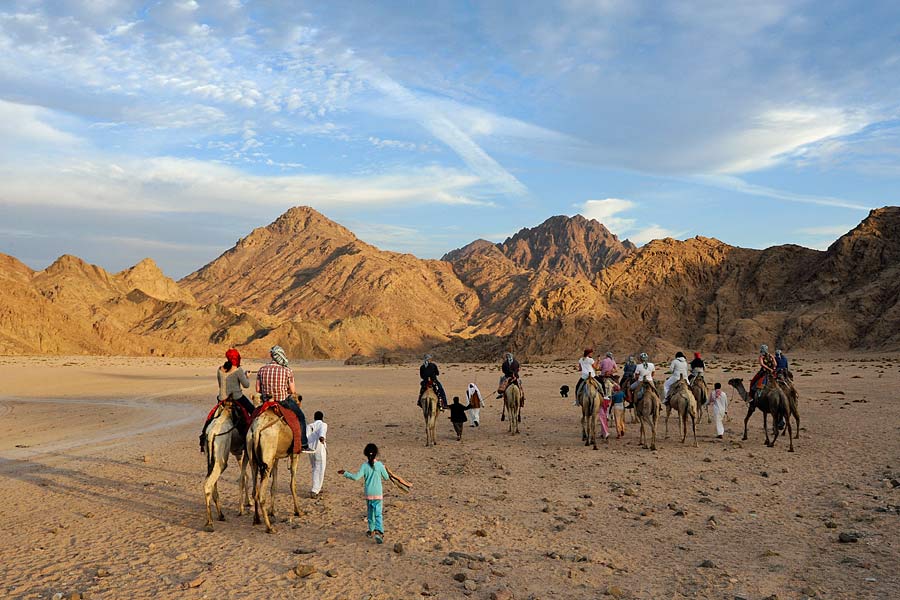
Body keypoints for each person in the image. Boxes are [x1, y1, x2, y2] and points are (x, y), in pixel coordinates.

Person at [199, 348, 254, 453]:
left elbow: (220, 384)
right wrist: (247, 376)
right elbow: (246, 385)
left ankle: (203, 438)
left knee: (211, 417)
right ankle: (249, 441)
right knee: (253, 411)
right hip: (237, 398)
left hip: (222, 400)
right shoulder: (238, 370)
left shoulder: (220, 369)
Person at [256, 345, 310, 451]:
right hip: (283, 401)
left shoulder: (261, 370)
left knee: (252, 417)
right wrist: (285, 390)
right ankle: (303, 444)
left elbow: (258, 389)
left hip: (267, 401)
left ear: (272, 356)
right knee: (300, 417)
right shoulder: (287, 371)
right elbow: (293, 391)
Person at [339, 443, 390, 544]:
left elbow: (356, 477)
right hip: (378, 494)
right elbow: (386, 478)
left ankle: (371, 531)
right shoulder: (380, 465)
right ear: (376, 454)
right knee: (378, 513)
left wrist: (345, 473)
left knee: (370, 513)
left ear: (366, 454)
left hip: (368, 494)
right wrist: (385, 469)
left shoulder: (364, 466)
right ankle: (379, 531)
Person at [307, 411, 327, 498]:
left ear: (314, 418)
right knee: (320, 468)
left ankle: (317, 487)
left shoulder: (309, 426)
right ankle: (315, 490)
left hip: (310, 450)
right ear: (322, 418)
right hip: (319, 449)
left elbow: (306, 437)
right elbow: (322, 431)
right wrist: (322, 437)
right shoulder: (323, 424)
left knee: (315, 468)